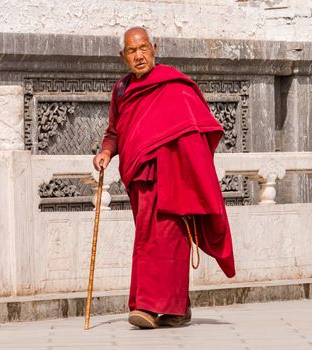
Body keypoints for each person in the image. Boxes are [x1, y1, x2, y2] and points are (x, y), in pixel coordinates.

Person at [93, 27, 236, 329]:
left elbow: (196, 129)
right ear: (123, 56)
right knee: (151, 239)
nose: (139, 55)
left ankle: (147, 306)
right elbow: (114, 132)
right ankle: (177, 308)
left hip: (172, 176)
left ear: (154, 48)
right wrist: (106, 152)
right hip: (138, 177)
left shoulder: (174, 85)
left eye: (143, 48)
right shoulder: (121, 90)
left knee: (168, 239)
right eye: (132, 51)